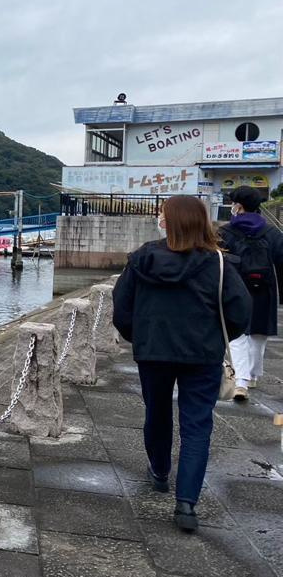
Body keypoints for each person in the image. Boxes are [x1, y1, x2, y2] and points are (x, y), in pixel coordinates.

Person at [113, 195, 251, 532]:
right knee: (197, 427)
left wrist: (140, 336)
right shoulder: (218, 263)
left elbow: (122, 308)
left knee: (156, 413)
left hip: (153, 352)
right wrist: (217, 339)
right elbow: (240, 313)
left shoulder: (143, 258)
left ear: (169, 221)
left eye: (162, 213)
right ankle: (186, 504)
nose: (159, 216)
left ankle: (160, 471)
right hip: (202, 354)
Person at [217, 185, 283, 401]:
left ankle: (241, 381)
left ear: (239, 206)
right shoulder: (272, 232)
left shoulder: (226, 232)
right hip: (265, 289)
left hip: (235, 288)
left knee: (237, 335)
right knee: (258, 335)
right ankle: (251, 376)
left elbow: (218, 262)